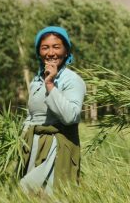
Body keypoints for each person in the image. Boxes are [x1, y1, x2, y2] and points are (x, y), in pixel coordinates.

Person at [20, 26, 86, 194]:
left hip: (56, 147)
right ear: (38, 52)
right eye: (45, 47)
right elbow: (33, 116)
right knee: (29, 195)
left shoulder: (72, 80)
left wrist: (50, 84)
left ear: (66, 51)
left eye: (56, 47)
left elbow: (71, 116)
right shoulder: (36, 80)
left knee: (44, 192)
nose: (50, 53)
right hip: (33, 145)